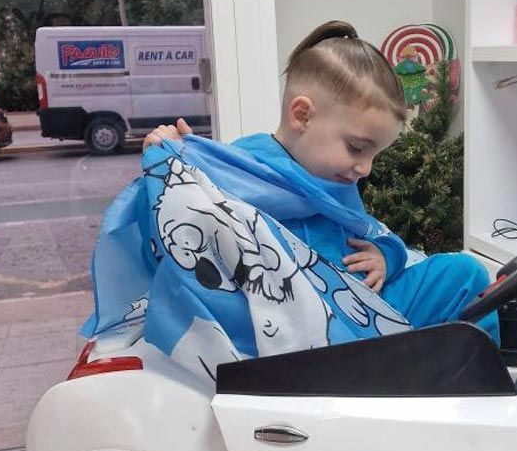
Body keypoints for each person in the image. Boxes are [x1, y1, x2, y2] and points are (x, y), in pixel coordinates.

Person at [145, 20, 499, 343]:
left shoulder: (339, 178)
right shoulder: (233, 168)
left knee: (465, 273)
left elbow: (374, 232)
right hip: (292, 326)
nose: (366, 168)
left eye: (375, 155)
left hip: (359, 309)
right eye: (357, 148)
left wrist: (384, 257)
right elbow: (176, 226)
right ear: (302, 115)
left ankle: (475, 384)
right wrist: (171, 157)